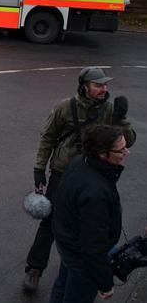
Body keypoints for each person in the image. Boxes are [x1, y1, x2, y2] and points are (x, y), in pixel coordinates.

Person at [23, 67, 136, 293]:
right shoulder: (66, 107)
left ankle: (71, 266)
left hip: (93, 175)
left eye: (105, 85)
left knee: (86, 228)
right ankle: (34, 269)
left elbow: (128, 141)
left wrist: (121, 120)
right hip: (63, 172)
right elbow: (48, 137)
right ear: (84, 86)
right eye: (98, 85)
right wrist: (39, 168)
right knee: (51, 223)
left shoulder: (109, 110)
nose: (104, 89)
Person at [50, 125, 128, 302]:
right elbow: (93, 246)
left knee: (62, 286)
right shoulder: (95, 193)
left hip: (68, 242)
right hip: (82, 257)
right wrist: (105, 283)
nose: (126, 152)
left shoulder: (79, 162)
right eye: (121, 149)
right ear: (102, 153)